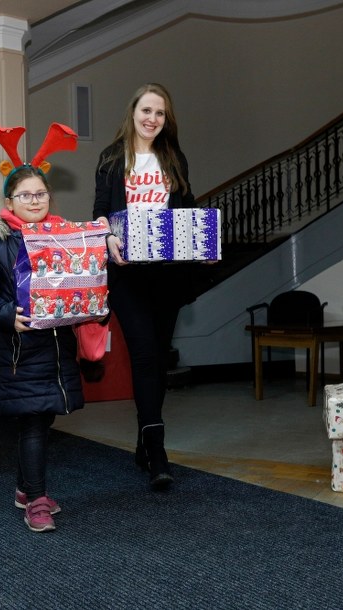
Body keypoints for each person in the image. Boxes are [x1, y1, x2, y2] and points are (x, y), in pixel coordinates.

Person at [0, 124, 83, 532]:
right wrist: (5, 314)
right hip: (19, 349)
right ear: (9, 201)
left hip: (55, 347)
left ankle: (23, 488)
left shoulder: (66, 237)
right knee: (33, 420)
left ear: (49, 197)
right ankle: (36, 501)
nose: (34, 200)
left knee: (44, 416)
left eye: (40, 193)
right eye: (25, 195)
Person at [93, 83, 199, 491]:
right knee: (143, 356)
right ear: (133, 112)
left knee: (157, 357)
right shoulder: (112, 157)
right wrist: (107, 238)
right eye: (147, 110)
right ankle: (157, 448)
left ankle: (144, 437)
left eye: (160, 113)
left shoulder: (173, 158)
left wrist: (202, 241)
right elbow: (100, 210)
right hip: (128, 275)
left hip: (168, 274)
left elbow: (187, 208)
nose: (152, 119)